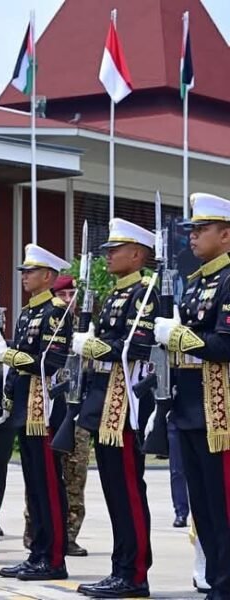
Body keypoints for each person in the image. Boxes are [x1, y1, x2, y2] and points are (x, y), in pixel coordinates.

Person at [72, 219, 157, 598]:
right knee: (113, 491)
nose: (108, 255)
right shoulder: (114, 295)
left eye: (115, 249)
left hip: (126, 405)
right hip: (104, 401)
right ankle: (120, 567)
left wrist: (95, 348)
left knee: (127, 490)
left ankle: (134, 573)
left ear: (137, 254)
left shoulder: (147, 293)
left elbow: (138, 346)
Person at [154, 193, 230, 598]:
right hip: (188, 408)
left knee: (223, 508)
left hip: (220, 414)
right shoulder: (196, 284)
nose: (193, 238)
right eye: (192, 231)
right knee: (201, 508)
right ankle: (217, 581)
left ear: (226, 235)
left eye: (202, 230)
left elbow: (224, 345)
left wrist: (180, 335)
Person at [0, 244, 72, 581]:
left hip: (46, 408)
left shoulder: (55, 312)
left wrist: (8, 355)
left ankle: (53, 558)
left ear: (48, 276)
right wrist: (8, 396)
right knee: (34, 484)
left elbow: (49, 362)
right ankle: (37, 552)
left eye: (31, 271)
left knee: (49, 484)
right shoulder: (27, 313)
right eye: (24, 271)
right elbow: (22, 365)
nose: (24, 276)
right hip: (26, 405)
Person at [52, 274, 91, 558]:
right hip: (52, 411)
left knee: (75, 477)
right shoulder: (51, 327)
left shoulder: (85, 330)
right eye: (62, 295)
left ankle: (70, 534)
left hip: (77, 415)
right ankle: (38, 531)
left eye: (71, 295)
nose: (67, 301)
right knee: (45, 476)